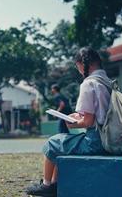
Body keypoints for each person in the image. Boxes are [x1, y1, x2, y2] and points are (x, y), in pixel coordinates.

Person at [26, 47, 111, 196]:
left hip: (95, 142)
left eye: (77, 66)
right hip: (110, 139)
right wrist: (79, 117)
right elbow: (98, 115)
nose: (78, 70)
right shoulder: (107, 82)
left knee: (53, 142)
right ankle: (54, 184)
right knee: (62, 143)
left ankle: (47, 185)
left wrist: (73, 123)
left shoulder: (88, 83)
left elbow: (88, 122)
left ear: (83, 64)